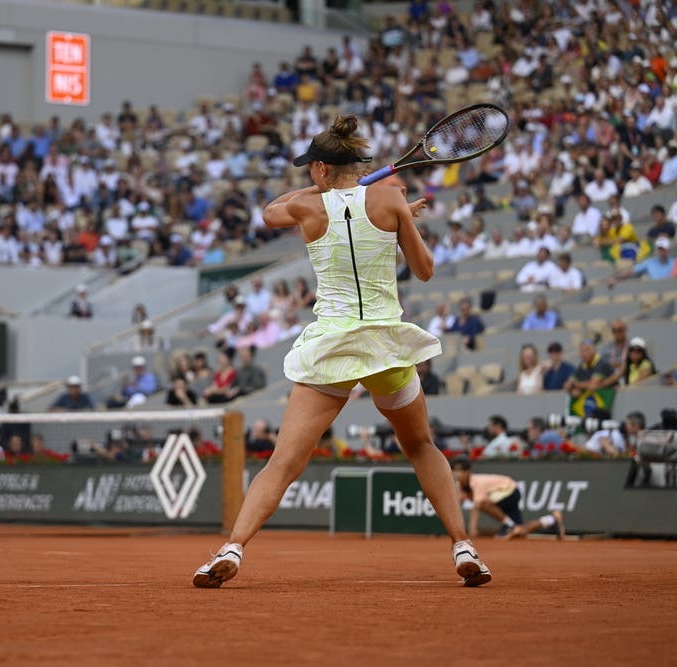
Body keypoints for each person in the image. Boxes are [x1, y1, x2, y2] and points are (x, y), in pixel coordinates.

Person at [193, 116, 491, 589]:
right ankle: (463, 545)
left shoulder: (306, 208)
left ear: (318, 168)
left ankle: (233, 547)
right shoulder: (391, 198)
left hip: (332, 347)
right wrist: (399, 222)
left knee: (283, 462)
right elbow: (425, 269)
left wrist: (321, 192)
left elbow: (271, 212)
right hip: (386, 348)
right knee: (420, 446)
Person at [451, 457, 565, 540]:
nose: (456, 473)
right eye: (454, 470)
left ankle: (508, 525)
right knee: (520, 531)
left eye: (459, 470)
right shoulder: (460, 487)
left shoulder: (477, 482)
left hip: (511, 491)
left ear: (468, 472)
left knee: (482, 503)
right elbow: (455, 505)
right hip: (504, 496)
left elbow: (477, 506)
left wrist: (472, 530)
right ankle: (552, 519)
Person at [565, 339, 617, 418]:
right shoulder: (582, 365)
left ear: (594, 351)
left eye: (587, 350)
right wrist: (572, 390)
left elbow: (592, 386)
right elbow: (567, 385)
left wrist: (575, 384)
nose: (583, 354)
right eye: (581, 351)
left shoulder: (601, 363)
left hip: (607, 405)